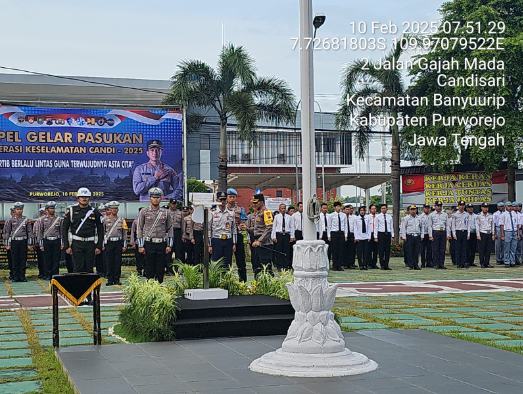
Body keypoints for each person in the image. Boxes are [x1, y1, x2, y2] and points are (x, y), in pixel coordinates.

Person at [62, 188, 104, 305]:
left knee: (90, 270)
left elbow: (100, 230)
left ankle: (89, 297)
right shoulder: (71, 210)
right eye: (82, 197)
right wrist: (67, 245)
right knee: (78, 270)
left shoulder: (94, 211)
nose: (84, 199)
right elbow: (64, 229)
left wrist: (99, 246)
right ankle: (78, 296)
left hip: (90, 244)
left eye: (86, 197)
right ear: (78, 198)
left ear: (89, 198)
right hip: (77, 243)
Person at [136, 187, 173, 283]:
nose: (155, 199)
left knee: (160, 269)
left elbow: (170, 229)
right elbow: (139, 228)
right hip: (149, 243)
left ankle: (160, 287)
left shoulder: (166, 212)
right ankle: (150, 289)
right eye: (153, 197)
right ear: (150, 199)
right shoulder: (144, 211)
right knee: (149, 268)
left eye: (157, 197)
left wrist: (169, 245)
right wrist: (140, 245)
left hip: (162, 243)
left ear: (161, 199)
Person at [3, 202, 33, 282]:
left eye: (20, 209)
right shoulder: (10, 220)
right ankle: (15, 276)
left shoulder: (25, 219)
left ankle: (22, 276)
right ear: (15, 210)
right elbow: (7, 232)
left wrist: (29, 243)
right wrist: (6, 244)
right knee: (15, 259)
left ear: (22, 210)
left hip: (23, 241)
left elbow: (29, 232)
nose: (19, 211)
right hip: (14, 241)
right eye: (17, 209)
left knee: (23, 259)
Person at [208, 192, 236, 268]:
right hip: (217, 240)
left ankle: (226, 279)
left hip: (228, 240)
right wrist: (209, 245)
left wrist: (234, 243)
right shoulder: (212, 212)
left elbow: (233, 229)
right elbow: (209, 230)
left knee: (227, 264)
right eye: (221, 200)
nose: (222, 202)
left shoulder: (231, 212)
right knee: (216, 264)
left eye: (224, 199)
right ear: (217, 200)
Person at [103, 201, 128, 286]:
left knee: (117, 261)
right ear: (109, 210)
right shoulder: (105, 220)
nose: (114, 210)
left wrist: (124, 245)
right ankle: (110, 279)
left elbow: (124, 233)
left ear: (118, 210)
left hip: (118, 242)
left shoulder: (121, 220)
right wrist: (102, 244)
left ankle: (117, 279)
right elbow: (102, 232)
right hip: (109, 242)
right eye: (112, 208)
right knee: (109, 261)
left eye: (116, 208)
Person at [38, 201, 63, 280]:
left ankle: (55, 274)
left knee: (56, 259)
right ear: (47, 210)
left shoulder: (58, 219)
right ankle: (47, 274)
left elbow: (61, 232)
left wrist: (62, 243)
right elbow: (40, 232)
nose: (52, 210)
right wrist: (41, 244)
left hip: (56, 240)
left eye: (53, 208)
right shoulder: (42, 219)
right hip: (47, 240)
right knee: (47, 259)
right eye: (50, 208)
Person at [250, 193, 274, 278]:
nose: (254, 204)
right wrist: (247, 229)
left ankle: (269, 286)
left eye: (256, 202)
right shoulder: (257, 213)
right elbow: (257, 229)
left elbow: (268, 229)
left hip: (264, 243)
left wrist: (260, 241)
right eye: (253, 202)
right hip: (256, 242)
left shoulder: (266, 213)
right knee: (257, 266)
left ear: (262, 202)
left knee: (266, 267)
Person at [227, 188, 247, 282]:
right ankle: (227, 281)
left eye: (233, 197)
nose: (232, 199)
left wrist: (242, 226)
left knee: (240, 259)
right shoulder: (223, 208)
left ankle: (242, 281)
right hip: (227, 236)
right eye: (230, 197)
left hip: (238, 235)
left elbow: (244, 220)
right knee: (227, 259)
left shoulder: (240, 209)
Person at [271, 203, 295, 270]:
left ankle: (286, 266)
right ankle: (279, 266)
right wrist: (274, 236)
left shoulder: (289, 217)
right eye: (282, 208)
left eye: (284, 208)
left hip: (286, 234)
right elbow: (274, 227)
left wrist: (292, 236)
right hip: (279, 234)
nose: (283, 209)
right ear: (279, 209)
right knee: (279, 251)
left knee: (286, 251)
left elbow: (292, 227)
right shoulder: (276, 217)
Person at [427, 201, 450, 269]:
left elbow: (447, 225)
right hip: (435, 231)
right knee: (435, 249)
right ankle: (436, 264)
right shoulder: (431, 215)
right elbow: (429, 226)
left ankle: (441, 263)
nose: (439, 207)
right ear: (435, 206)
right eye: (438, 206)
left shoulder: (445, 214)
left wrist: (448, 234)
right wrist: (430, 235)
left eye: (440, 206)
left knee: (442, 249)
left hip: (443, 231)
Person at [401, 205, 423, 270]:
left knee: (416, 251)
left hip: (417, 235)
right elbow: (403, 228)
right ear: (409, 210)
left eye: (414, 209)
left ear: (416, 210)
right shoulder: (406, 218)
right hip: (410, 235)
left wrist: (422, 236)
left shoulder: (419, 218)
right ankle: (410, 265)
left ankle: (416, 264)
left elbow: (422, 227)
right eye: (412, 209)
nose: (413, 211)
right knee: (410, 251)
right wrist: (404, 236)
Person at [327, 201, 348, 271]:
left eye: (340, 206)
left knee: (340, 250)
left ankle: (339, 265)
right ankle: (334, 265)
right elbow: (329, 226)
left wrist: (346, 235)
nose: (339, 208)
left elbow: (345, 226)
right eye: (337, 206)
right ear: (334, 207)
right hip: (334, 233)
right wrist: (329, 235)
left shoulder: (343, 215)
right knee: (334, 250)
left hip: (341, 233)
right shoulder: (331, 215)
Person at [374, 204, 394, 270]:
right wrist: (375, 237)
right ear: (380, 209)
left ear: (387, 209)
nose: (383, 209)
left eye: (385, 208)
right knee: (381, 250)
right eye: (382, 208)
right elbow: (376, 227)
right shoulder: (378, 217)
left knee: (387, 250)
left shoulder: (389, 217)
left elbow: (391, 227)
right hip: (381, 234)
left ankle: (386, 264)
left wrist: (392, 236)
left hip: (387, 234)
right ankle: (382, 265)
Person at [475, 202, 495, 268]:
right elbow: (477, 226)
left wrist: (493, 234)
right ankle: (482, 263)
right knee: (481, 249)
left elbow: (492, 225)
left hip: (489, 233)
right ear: (481, 208)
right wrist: (478, 235)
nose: (486, 209)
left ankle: (487, 262)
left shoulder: (490, 215)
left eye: (487, 207)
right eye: (484, 207)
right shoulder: (478, 216)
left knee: (488, 249)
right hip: (482, 233)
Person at [167, 198, 184, 272]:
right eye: (172, 204)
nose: (174, 205)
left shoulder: (180, 213)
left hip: (177, 232)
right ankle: (169, 268)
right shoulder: (166, 212)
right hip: (169, 232)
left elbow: (183, 225)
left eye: (175, 204)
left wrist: (183, 235)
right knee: (169, 250)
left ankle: (176, 268)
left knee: (178, 251)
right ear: (170, 204)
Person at [500, 201, 518, 267]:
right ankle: (507, 261)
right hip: (507, 231)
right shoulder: (503, 214)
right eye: (508, 206)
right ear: (505, 207)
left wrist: (518, 234)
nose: (509, 208)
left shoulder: (514, 214)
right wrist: (502, 235)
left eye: (510, 206)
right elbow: (501, 225)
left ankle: (512, 261)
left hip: (514, 231)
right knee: (507, 247)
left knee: (513, 247)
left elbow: (517, 225)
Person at [451, 201, 468, 268]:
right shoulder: (455, 215)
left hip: (464, 231)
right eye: (460, 205)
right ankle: (458, 263)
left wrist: (468, 234)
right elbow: (453, 225)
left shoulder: (466, 214)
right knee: (458, 248)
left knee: (464, 248)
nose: (462, 206)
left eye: (463, 205)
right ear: (458, 206)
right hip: (458, 232)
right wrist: (454, 235)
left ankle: (463, 262)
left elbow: (468, 225)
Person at [353, 206, 371, 270]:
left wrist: (369, 236)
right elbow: (355, 228)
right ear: (359, 211)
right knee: (359, 252)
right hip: (359, 237)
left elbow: (369, 228)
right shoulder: (356, 219)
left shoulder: (367, 218)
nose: (362, 212)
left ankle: (365, 264)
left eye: (364, 210)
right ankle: (360, 264)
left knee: (366, 252)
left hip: (366, 237)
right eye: (361, 210)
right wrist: (356, 237)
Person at [130, 208, 145, 276]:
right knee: (138, 258)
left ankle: (146, 271)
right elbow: (132, 232)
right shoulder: (135, 221)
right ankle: (139, 270)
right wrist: (132, 242)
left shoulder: (148, 221)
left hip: (146, 241)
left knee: (147, 258)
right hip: (138, 242)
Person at [34, 207, 46, 278]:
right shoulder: (37, 222)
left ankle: (46, 273)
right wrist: (36, 243)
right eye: (43, 214)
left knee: (47, 259)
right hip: (39, 243)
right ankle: (41, 272)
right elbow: (35, 233)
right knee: (40, 259)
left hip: (47, 242)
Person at [95, 204, 107, 277]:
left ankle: (105, 271)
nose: (103, 213)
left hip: (106, 240)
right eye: (101, 211)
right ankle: (99, 271)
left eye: (104, 211)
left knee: (105, 257)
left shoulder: (107, 219)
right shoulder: (96, 219)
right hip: (97, 239)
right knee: (98, 257)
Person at [344, 204, 357, 269]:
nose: (348, 211)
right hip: (345, 235)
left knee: (352, 249)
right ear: (344, 210)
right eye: (346, 209)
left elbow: (355, 227)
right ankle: (345, 263)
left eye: (349, 209)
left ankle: (351, 263)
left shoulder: (353, 218)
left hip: (352, 234)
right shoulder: (343, 217)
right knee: (345, 249)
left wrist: (355, 236)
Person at [465, 203, 479, 267]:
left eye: (471, 207)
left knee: (473, 248)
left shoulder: (476, 216)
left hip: (474, 232)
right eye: (469, 207)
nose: (470, 209)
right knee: (467, 248)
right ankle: (467, 261)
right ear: (467, 208)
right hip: (468, 233)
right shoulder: (465, 215)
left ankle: (472, 261)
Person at [366, 205, 379, 269]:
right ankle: (369, 263)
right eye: (372, 209)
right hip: (370, 234)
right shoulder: (367, 217)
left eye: (375, 208)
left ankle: (374, 263)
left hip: (376, 234)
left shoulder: (378, 217)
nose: (374, 210)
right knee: (369, 249)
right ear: (370, 210)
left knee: (375, 250)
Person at [5, 207, 15, 280]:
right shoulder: (8, 221)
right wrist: (6, 244)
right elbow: (6, 233)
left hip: (18, 242)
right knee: (11, 260)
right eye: (13, 212)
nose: (14, 214)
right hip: (10, 243)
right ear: (11, 213)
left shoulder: (21, 220)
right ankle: (12, 273)